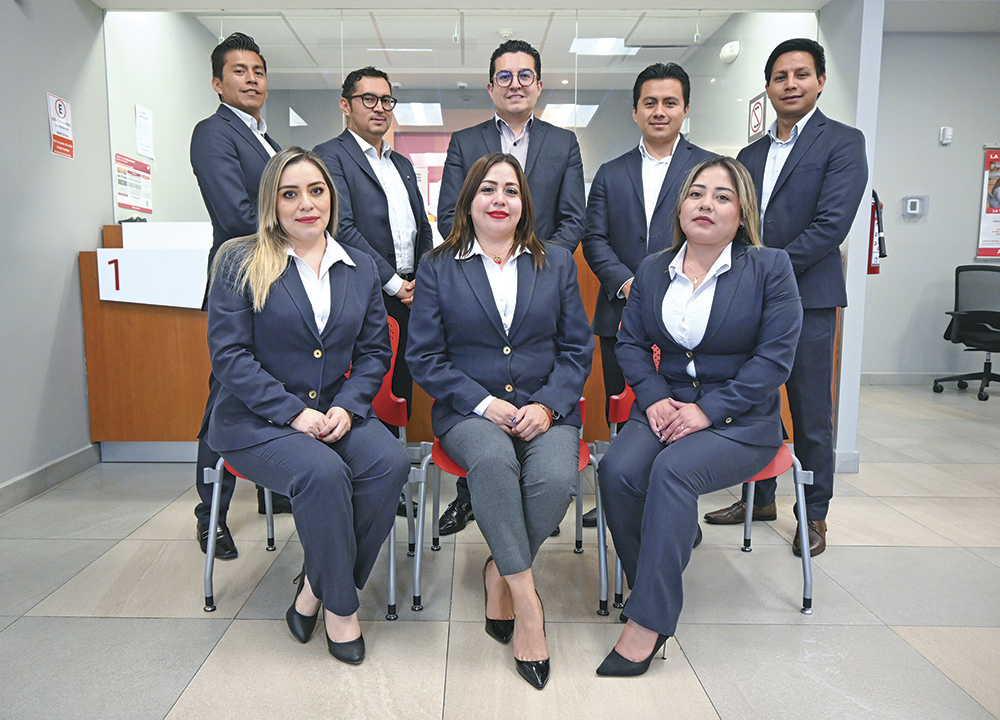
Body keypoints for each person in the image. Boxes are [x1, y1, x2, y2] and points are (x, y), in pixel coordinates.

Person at [596, 157, 802, 676]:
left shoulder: (770, 268)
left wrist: (707, 411)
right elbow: (630, 343)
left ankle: (648, 620)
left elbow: (774, 361)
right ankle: (651, 575)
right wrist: (653, 398)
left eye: (722, 196)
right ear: (680, 207)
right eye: (696, 194)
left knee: (672, 471)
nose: (706, 204)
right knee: (617, 470)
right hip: (665, 406)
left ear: (742, 213)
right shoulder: (652, 268)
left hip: (741, 421)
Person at [205, 147, 409, 665]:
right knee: (323, 474)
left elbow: (374, 352)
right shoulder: (239, 259)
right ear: (271, 203)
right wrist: (294, 413)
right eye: (289, 194)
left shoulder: (359, 266)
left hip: (333, 410)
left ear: (331, 198)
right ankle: (341, 609)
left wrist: (350, 406)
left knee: (389, 462)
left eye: (316, 191)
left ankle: (314, 588)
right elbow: (230, 357)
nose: (305, 204)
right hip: (255, 420)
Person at [407, 153, 593, 689]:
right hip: (469, 410)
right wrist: (484, 404)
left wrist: (547, 406)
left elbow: (576, 350)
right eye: (487, 189)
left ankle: (499, 570)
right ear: (468, 200)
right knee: (492, 462)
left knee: (555, 479)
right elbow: (425, 357)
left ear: (523, 204)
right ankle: (528, 604)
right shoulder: (439, 266)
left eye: (511, 190)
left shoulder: (556, 262)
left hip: (546, 408)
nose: (499, 200)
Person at [705, 38, 868, 557]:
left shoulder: (842, 142)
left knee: (810, 410)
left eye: (801, 74)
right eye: (780, 77)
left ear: (821, 81)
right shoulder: (749, 155)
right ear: (768, 87)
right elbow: (738, 224)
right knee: (754, 401)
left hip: (808, 297)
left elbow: (831, 226)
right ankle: (759, 497)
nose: (790, 84)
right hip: (751, 299)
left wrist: (766, 273)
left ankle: (814, 513)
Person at [435, 39, 587, 537]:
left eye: (525, 75)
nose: (515, 84)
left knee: (548, 471)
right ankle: (479, 504)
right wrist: (489, 253)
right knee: (487, 445)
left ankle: (522, 518)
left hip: (538, 272)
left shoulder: (563, 143)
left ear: (539, 85)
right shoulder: (465, 141)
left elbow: (573, 217)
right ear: (490, 86)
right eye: (505, 75)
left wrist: (537, 263)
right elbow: (449, 214)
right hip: (477, 272)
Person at [581, 62, 715, 532]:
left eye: (670, 103)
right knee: (621, 405)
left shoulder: (708, 170)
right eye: (650, 103)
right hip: (620, 311)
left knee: (678, 410)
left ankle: (676, 506)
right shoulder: (610, 173)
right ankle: (618, 499)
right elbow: (595, 239)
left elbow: (719, 237)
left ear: (685, 109)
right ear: (635, 111)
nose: (660, 111)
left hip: (690, 312)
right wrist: (630, 285)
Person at [313, 65, 433, 517]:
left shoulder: (401, 164)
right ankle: (363, 477)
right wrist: (395, 283)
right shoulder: (330, 156)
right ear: (346, 105)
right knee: (366, 386)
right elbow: (341, 227)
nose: (380, 108)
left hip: (411, 292)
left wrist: (423, 277)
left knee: (400, 385)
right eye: (369, 99)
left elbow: (422, 226)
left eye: (386, 100)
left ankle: (389, 478)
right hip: (365, 291)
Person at [190, 32, 288, 560]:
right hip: (241, 283)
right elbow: (234, 215)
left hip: (279, 285)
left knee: (280, 385)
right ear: (217, 82)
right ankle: (211, 513)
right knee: (227, 396)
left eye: (258, 71)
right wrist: (296, 243)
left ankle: (278, 486)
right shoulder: (213, 133)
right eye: (239, 71)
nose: (252, 79)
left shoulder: (268, 141)